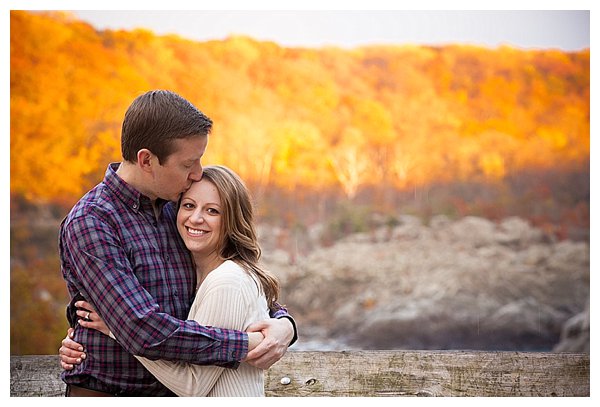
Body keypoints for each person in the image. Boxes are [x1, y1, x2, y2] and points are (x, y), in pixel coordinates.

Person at [58, 90, 297, 396]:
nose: (197, 174)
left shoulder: (179, 208)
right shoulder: (93, 222)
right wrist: (245, 344)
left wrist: (283, 325)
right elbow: (141, 328)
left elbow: (236, 282)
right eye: (188, 164)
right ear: (147, 160)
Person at [72, 165, 280, 396]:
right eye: (189, 206)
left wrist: (118, 330)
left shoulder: (226, 281)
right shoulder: (198, 273)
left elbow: (192, 385)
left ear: (232, 220)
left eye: (212, 211)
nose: (196, 218)